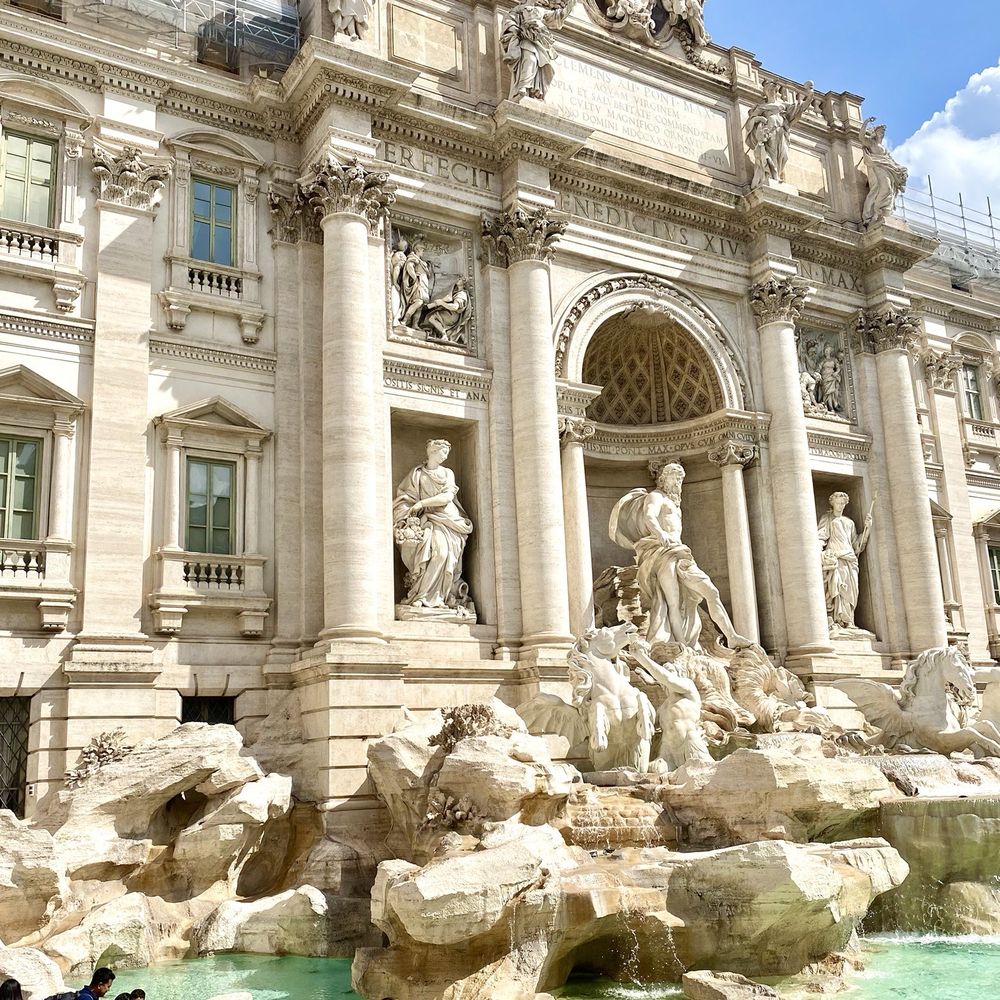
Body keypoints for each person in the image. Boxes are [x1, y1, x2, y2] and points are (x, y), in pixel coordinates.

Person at [610, 462, 752, 649]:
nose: (677, 482)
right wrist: (660, 534)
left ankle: (731, 636)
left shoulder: (675, 503)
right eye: (674, 477)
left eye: (680, 479)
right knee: (673, 602)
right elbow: (649, 516)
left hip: (681, 553)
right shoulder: (656, 496)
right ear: (663, 479)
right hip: (662, 552)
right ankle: (682, 646)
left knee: (711, 591)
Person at [392, 439, 475, 613]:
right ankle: (422, 596)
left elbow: (447, 498)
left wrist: (421, 504)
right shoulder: (417, 474)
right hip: (429, 520)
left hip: (449, 520)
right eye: (443, 452)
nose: (445, 456)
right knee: (437, 553)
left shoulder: (447, 473)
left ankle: (438, 597)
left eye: (447, 453)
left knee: (444, 555)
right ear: (432, 452)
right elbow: (405, 497)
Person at [818, 492, 873, 629]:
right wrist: (819, 552)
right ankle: (837, 620)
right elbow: (821, 537)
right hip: (836, 558)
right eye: (838, 503)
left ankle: (849, 621)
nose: (840, 505)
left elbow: (857, 545)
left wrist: (867, 529)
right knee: (837, 588)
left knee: (851, 591)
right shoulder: (827, 519)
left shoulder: (850, 522)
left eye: (843, 503)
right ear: (832, 503)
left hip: (850, 559)